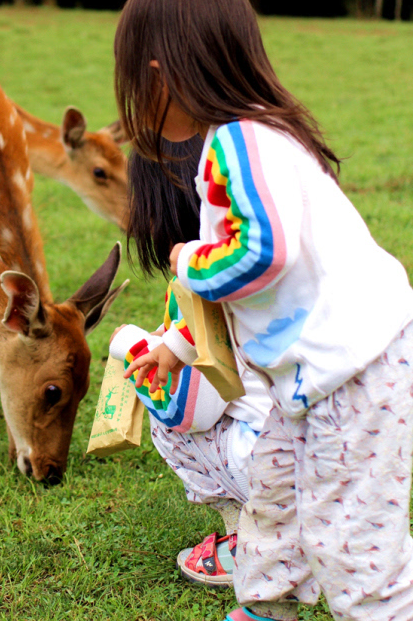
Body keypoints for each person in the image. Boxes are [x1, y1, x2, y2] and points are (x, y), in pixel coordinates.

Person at [115, 0, 413, 621]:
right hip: (318, 375)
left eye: (134, 80)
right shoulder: (256, 134)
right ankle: (264, 606)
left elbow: (263, 254)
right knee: (275, 499)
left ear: (160, 73)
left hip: (356, 371)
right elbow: (248, 294)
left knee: (355, 553)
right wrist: (179, 346)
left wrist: (191, 260)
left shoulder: (241, 142)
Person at [110, 138, 272, 587]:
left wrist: (130, 345)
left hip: (280, 465)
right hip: (344, 445)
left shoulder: (200, 283)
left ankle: (249, 540)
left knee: (168, 421)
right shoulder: (261, 255)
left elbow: (191, 410)